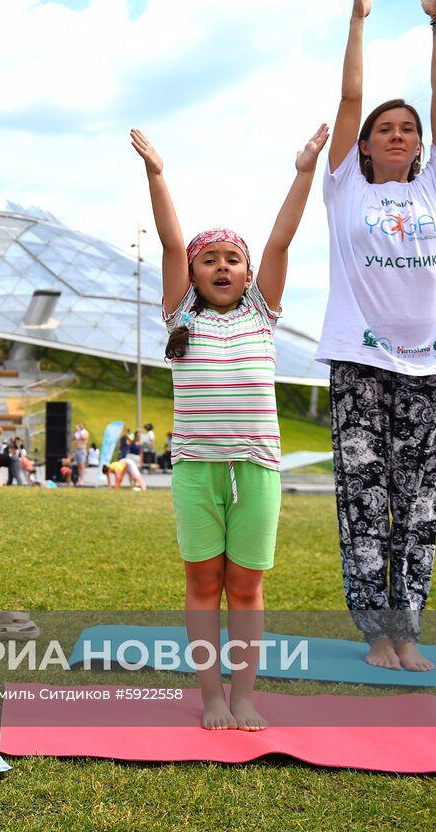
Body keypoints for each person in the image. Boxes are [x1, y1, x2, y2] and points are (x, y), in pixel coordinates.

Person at [133, 113, 327, 730]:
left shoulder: (262, 314)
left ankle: (243, 694)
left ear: (248, 275)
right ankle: (210, 694)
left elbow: (280, 243)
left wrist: (303, 173)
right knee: (202, 582)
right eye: (209, 260)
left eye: (232, 260)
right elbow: (169, 241)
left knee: (244, 587)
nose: (222, 267)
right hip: (196, 469)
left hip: (256, 470)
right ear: (192, 275)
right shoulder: (179, 315)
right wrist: (157, 175)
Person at [318, 0, 436, 672]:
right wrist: (360, 18)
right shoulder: (346, 188)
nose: (400, 134)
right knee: (366, 506)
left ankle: (408, 630)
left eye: (408, 128)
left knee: (420, 508)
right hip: (360, 360)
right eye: (387, 128)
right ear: (368, 146)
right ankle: (376, 631)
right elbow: (349, 98)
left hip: (432, 370)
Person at [71, 421, 89, 486]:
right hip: (77, 450)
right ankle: (79, 478)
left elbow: (84, 438)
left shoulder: (85, 432)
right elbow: (73, 439)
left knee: (82, 465)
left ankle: (82, 479)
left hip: (82, 450)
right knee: (78, 465)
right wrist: (75, 433)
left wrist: (79, 431)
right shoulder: (78, 433)